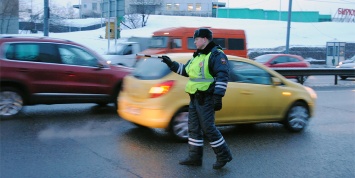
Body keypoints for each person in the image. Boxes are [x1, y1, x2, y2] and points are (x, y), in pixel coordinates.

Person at [161, 28, 232, 169]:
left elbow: (223, 75)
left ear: (204, 39)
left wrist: (218, 97)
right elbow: (186, 70)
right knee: (193, 129)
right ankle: (195, 157)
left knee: (208, 129)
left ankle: (224, 155)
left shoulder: (216, 55)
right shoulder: (197, 56)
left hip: (206, 98)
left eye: (196, 39)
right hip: (194, 98)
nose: (194, 41)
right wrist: (171, 64)